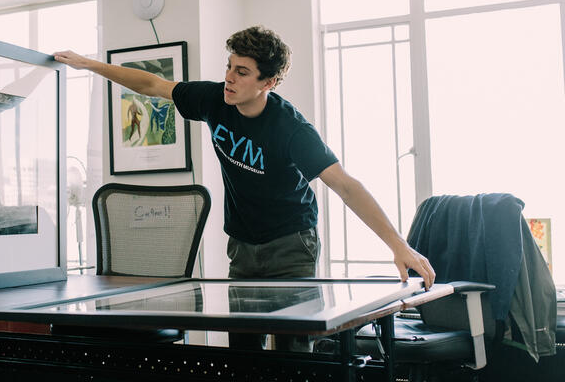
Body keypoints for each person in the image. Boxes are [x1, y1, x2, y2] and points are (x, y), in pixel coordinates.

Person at [54, 26, 436, 351]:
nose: (229, 79)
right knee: (244, 350)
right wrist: (89, 65)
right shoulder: (213, 99)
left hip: (291, 246)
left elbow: (346, 186)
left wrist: (397, 245)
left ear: (267, 82)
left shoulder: (291, 129)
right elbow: (153, 84)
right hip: (243, 246)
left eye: (241, 72)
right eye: (229, 67)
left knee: (292, 352)